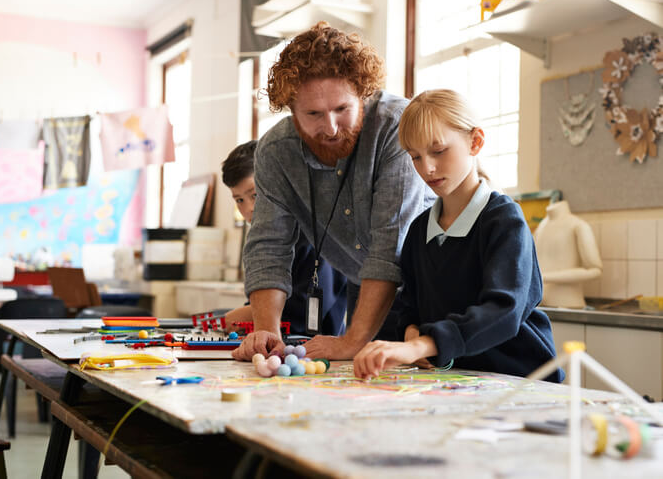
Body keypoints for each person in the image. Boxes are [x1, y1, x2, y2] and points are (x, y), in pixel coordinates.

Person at [232, 22, 434, 361]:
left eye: (342, 109)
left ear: (363, 93)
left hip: (435, 294)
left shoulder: (397, 126)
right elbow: (268, 246)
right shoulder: (275, 152)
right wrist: (266, 331)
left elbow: (390, 246)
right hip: (366, 292)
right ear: (291, 109)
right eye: (313, 114)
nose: (330, 127)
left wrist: (352, 340)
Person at [353, 89, 563, 382]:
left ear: (475, 142)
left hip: (520, 380)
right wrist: (411, 332)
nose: (427, 168)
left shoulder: (504, 220)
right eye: (415, 157)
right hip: (457, 380)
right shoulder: (419, 230)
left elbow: (503, 311)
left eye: (438, 151)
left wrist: (422, 344)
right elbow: (410, 306)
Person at [221, 140, 347, 335]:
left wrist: (244, 314)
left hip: (316, 351)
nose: (249, 209)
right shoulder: (263, 243)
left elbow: (304, 311)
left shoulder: (314, 233)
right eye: (239, 200)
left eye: (254, 195)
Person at [533, 199, 602, 309]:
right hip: (539, 305)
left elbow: (595, 270)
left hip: (569, 303)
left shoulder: (578, 225)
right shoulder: (540, 227)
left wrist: (543, 277)